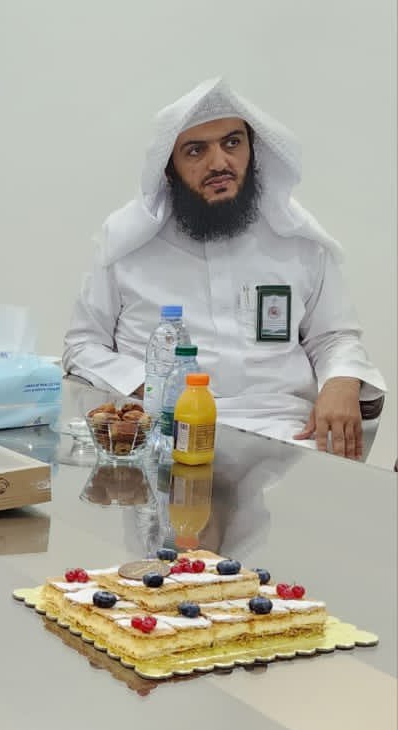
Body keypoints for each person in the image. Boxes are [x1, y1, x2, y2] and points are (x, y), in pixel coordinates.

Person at [63, 78, 386, 459]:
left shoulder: (298, 241)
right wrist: (148, 386)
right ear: (169, 169)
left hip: (284, 435)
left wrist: (342, 380)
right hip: (165, 435)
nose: (219, 163)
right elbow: (83, 346)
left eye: (232, 143)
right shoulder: (127, 245)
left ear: (252, 150)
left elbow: (334, 337)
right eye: (196, 150)